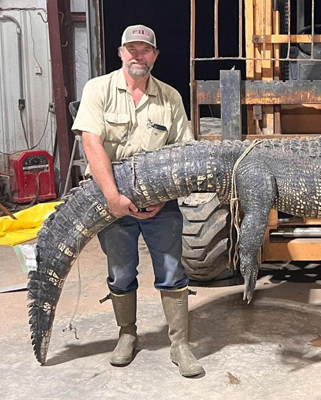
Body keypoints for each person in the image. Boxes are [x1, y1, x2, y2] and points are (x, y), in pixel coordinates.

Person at [72, 24, 203, 377]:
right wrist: (113, 198)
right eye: (131, 49)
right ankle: (127, 334)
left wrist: (166, 197)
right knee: (120, 271)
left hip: (162, 205)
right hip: (111, 202)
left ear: (155, 56)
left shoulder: (171, 98)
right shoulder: (98, 89)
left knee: (173, 270)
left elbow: (184, 155)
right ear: (120, 53)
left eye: (145, 50)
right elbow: (91, 143)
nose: (137, 55)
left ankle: (179, 344)